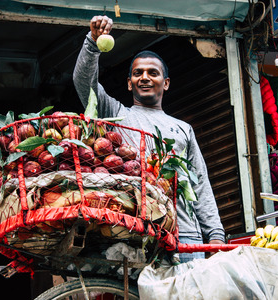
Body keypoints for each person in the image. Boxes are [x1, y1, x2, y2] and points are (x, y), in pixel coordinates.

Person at [73, 15, 225, 262]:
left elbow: (199, 183)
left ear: (165, 83)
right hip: (137, 234)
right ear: (130, 83)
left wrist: (215, 234)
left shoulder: (183, 129)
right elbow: (83, 83)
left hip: (186, 235)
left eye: (152, 73)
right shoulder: (116, 115)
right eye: (137, 73)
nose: (144, 77)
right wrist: (92, 42)